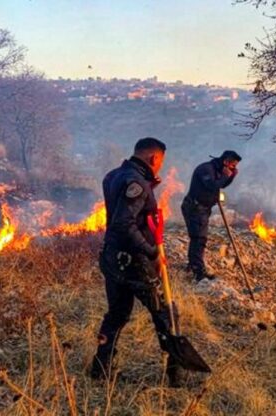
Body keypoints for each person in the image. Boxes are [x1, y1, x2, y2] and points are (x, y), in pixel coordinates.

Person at [90, 137, 187, 386]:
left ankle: (100, 369)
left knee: (117, 314)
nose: (159, 168)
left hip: (111, 257)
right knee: (165, 313)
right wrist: (151, 251)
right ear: (153, 158)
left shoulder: (113, 176)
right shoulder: (137, 183)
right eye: (160, 162)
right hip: (134, 261)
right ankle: (176, 375)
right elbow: (124, 223)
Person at [181, 150, 242, 282]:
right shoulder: (206, 169)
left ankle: (192, 266)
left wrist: (231, 176)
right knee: (199, 239)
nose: (234, 168)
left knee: (197, 238)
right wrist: (226, 176)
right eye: (233, 166)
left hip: (203, 209)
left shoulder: (219, 169)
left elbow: (222, 185)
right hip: (194, 207)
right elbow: (212, 185)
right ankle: (198, 272)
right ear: (226, 162)